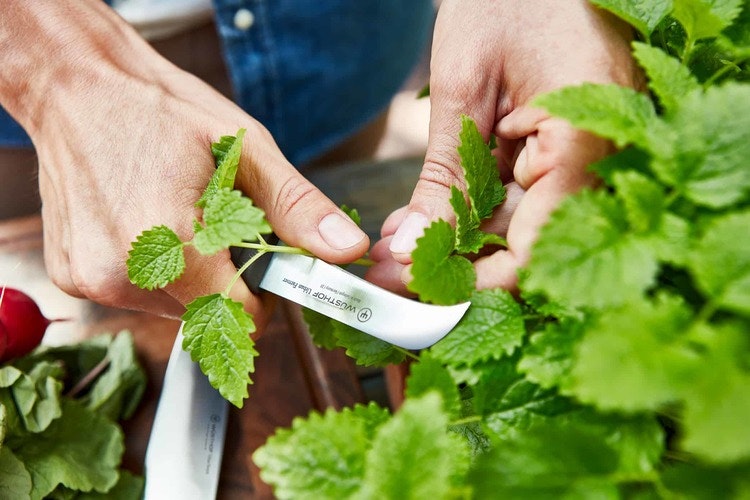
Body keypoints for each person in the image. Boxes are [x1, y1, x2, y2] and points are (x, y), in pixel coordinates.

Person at [0, 0, 640, 328]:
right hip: (29, 106)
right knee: (109, 262)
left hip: (333, 42)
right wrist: (48, 67)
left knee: (332, 196)